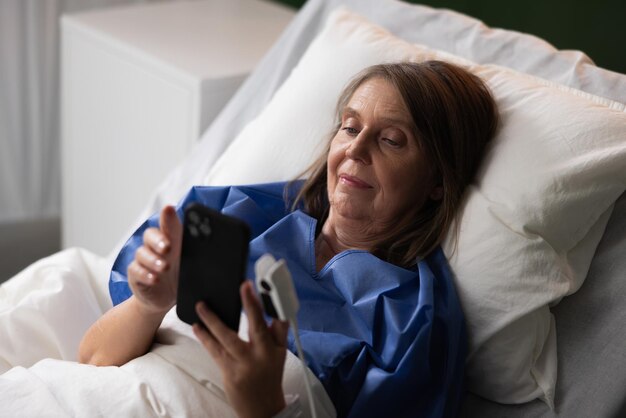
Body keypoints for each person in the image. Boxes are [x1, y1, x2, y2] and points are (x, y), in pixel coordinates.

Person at [79, 61, 499, 418]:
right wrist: (149, 305)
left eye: (391, 140)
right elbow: (93, 360)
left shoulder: (412, 322)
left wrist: (264, 406)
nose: (356, 150)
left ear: (437, 182)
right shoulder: (238, 214)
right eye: (350, 128)